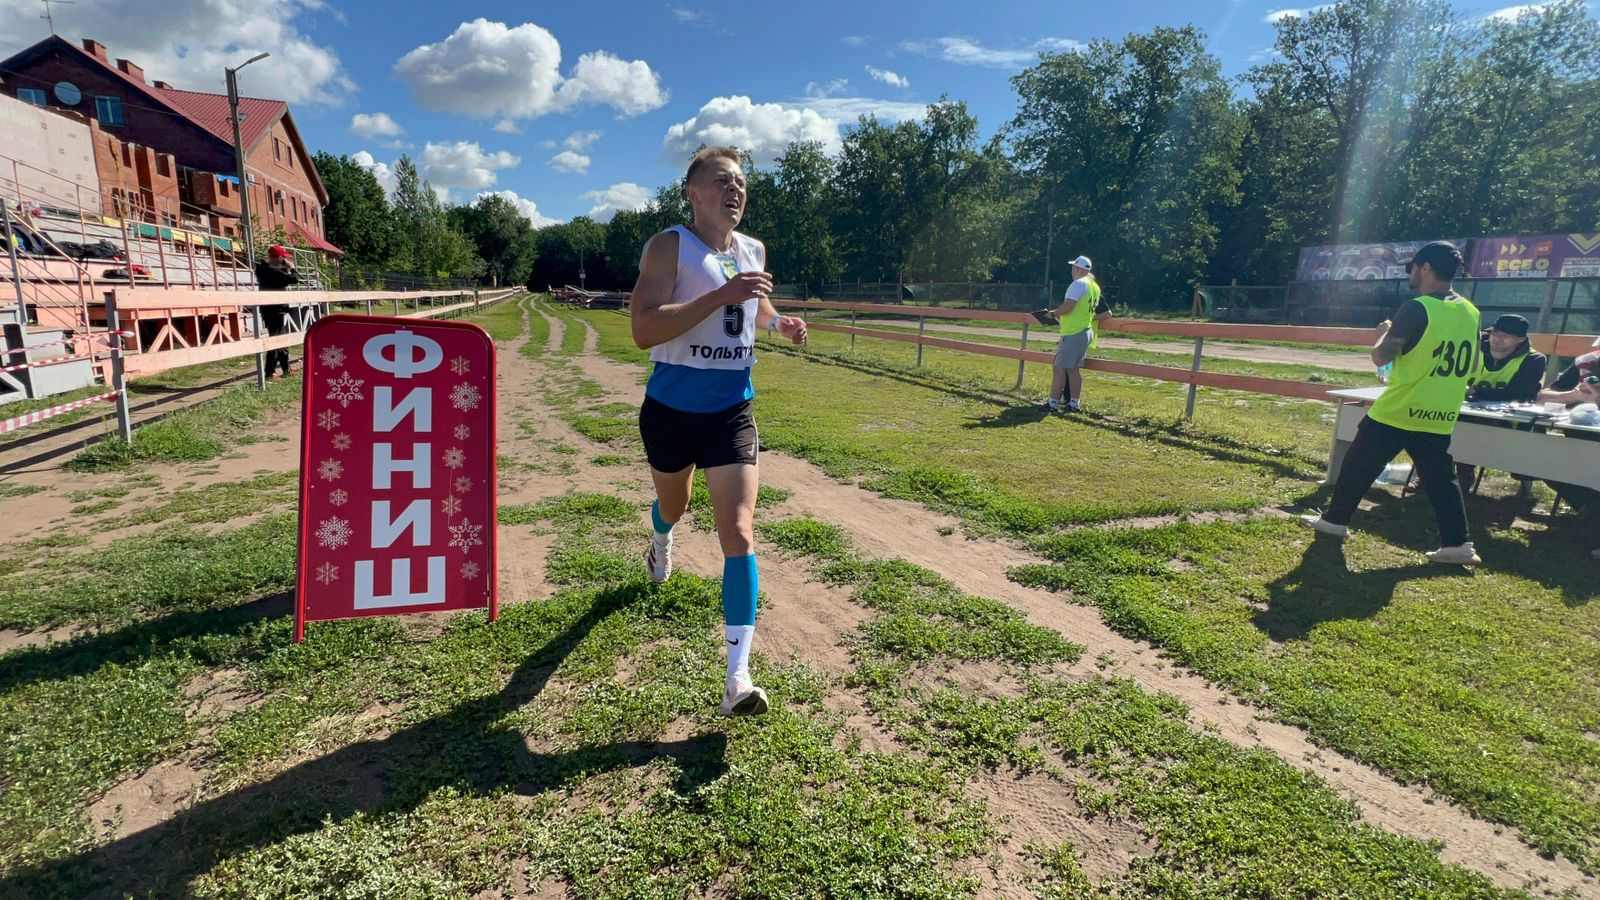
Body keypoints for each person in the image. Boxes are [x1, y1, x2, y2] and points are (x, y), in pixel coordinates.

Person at [629, 147, 808, 717]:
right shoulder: (669, 245)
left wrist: (780, 322)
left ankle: (738, 677)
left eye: (740, 183)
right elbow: (642, 327)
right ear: (693, 193)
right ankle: (659, 539)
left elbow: (755, 309)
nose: (734, 190)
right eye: (721, 181)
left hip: (732, 407)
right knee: (674, 506)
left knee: (738, 530)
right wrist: (720, 296)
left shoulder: (752, 249)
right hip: (671, 408)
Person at [1301, 241, 1482, 565]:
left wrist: (1383, 333)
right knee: (1442, 479)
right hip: (1439, 411)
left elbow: (1381, 356)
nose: (1410, 273)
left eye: (1412, 267)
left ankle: (1335, 521)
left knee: (1357, 464)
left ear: (1425, 267)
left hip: (1400, 407)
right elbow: (1471, 367)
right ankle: (1459, 544)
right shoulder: (1471, 311)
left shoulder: (1417, 307)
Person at [1040, 255, 1111, 413]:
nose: (1072, 270)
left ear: (1077, 269)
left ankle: (1052, 403)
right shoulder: (1094, 286)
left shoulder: (1078, 284)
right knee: (1073, 370)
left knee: (1058, 368)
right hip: (1086, 330)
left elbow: (1069, 306)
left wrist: (1053, 313)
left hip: (1073, 331)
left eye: (1073, 267)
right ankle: (1074, 404)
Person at [1466, 314, 1545, 403]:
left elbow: (1521, 394)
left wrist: (1474, 391)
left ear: (1521, 339)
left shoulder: (1533, 359)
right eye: (1495, 332)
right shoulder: (1471, 349)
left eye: (1506, 335)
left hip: (1505, 414)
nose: (1497, 338)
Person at [253, 245, 299, 380]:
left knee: (281, 340)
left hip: (272, 310)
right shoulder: (271, 272)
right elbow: (295, 279)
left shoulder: (265, 270)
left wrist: (284, 267)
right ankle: (269, 372)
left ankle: (285, 369)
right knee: (276, 341)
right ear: (278, 258)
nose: (285, 260)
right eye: (283, 258)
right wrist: (292, 267)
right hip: (275, 310)